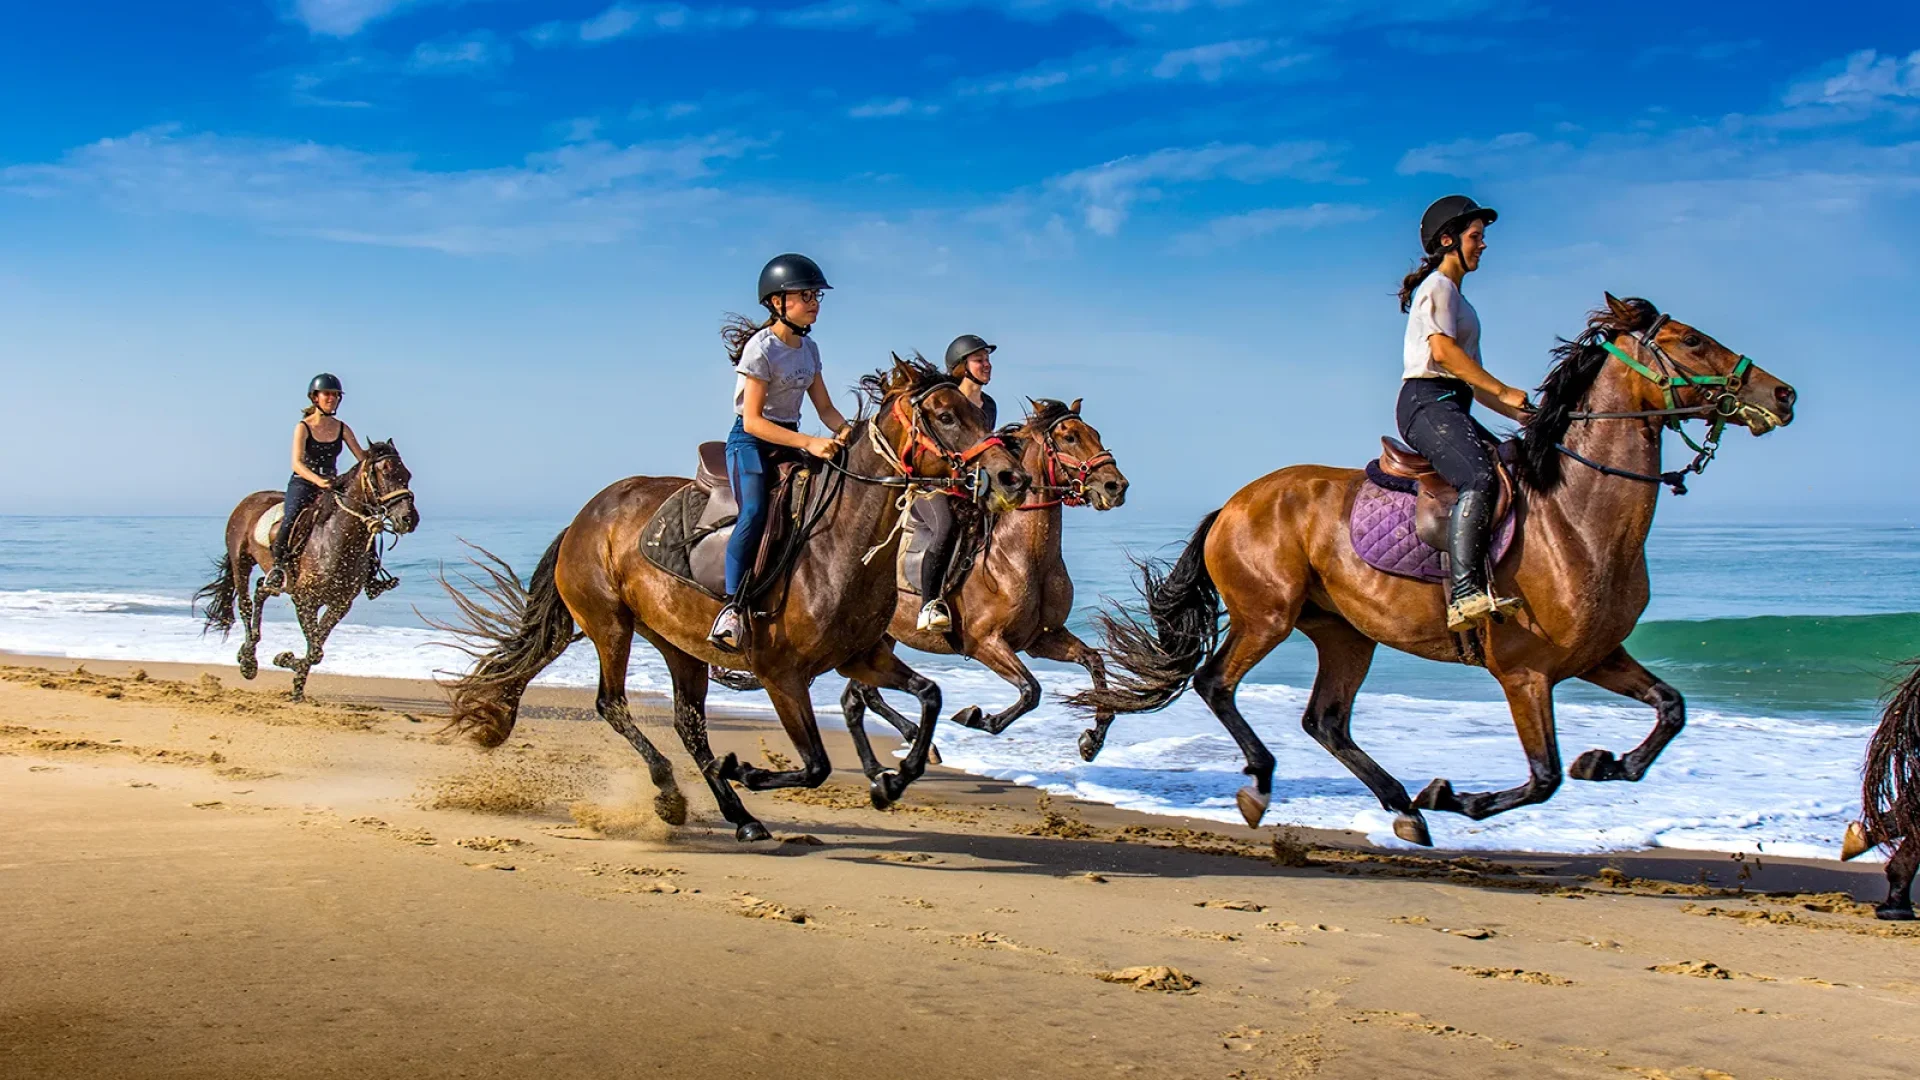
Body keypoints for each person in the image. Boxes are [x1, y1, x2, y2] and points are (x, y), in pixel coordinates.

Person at [1397, 196, 1533, 632]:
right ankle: (1464, 594)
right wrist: (1503, 390)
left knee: (1515, 469)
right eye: (1476, 236)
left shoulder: (1459, 300)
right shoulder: (1437, 287)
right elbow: (1443, 353)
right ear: (1448, 240)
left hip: (1452, 400)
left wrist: (1522, 414)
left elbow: (1470, 378)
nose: (1483, 245)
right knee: (1479, 477)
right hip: (1426, 402)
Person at [709, 254, 853, 652]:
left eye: (816, 296)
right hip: (751, 442)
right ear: (777, 302)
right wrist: (809, 442)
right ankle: (732, 608)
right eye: (805, 295)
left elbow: (825, 409)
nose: (814, 302)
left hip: (788, 437)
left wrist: (849, 432)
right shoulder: (761, 349)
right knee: (754, 513)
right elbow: (753, 421)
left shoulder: (809, 349)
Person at [909, 334, 1002, 632]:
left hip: (967, 486)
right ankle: (929, 604)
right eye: (979, 360)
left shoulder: (989, 406)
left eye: (987, 359)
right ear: (961, 367)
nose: (987, 365)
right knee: (946, 526)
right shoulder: (946, 403)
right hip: (931, 485)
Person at [263, 373, 367, 593]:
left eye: (335, 395)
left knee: (362, 520)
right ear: (315, 398)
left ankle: (371, 573)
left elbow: (362, 458)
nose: (332, 398)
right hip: (304, 483)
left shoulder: (342, 428)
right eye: (327, 394)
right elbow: (297, 463)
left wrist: (382, 459)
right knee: (290, 519)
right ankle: (278, 569)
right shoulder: (303, 427)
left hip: (332, 484)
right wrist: (318, 480)